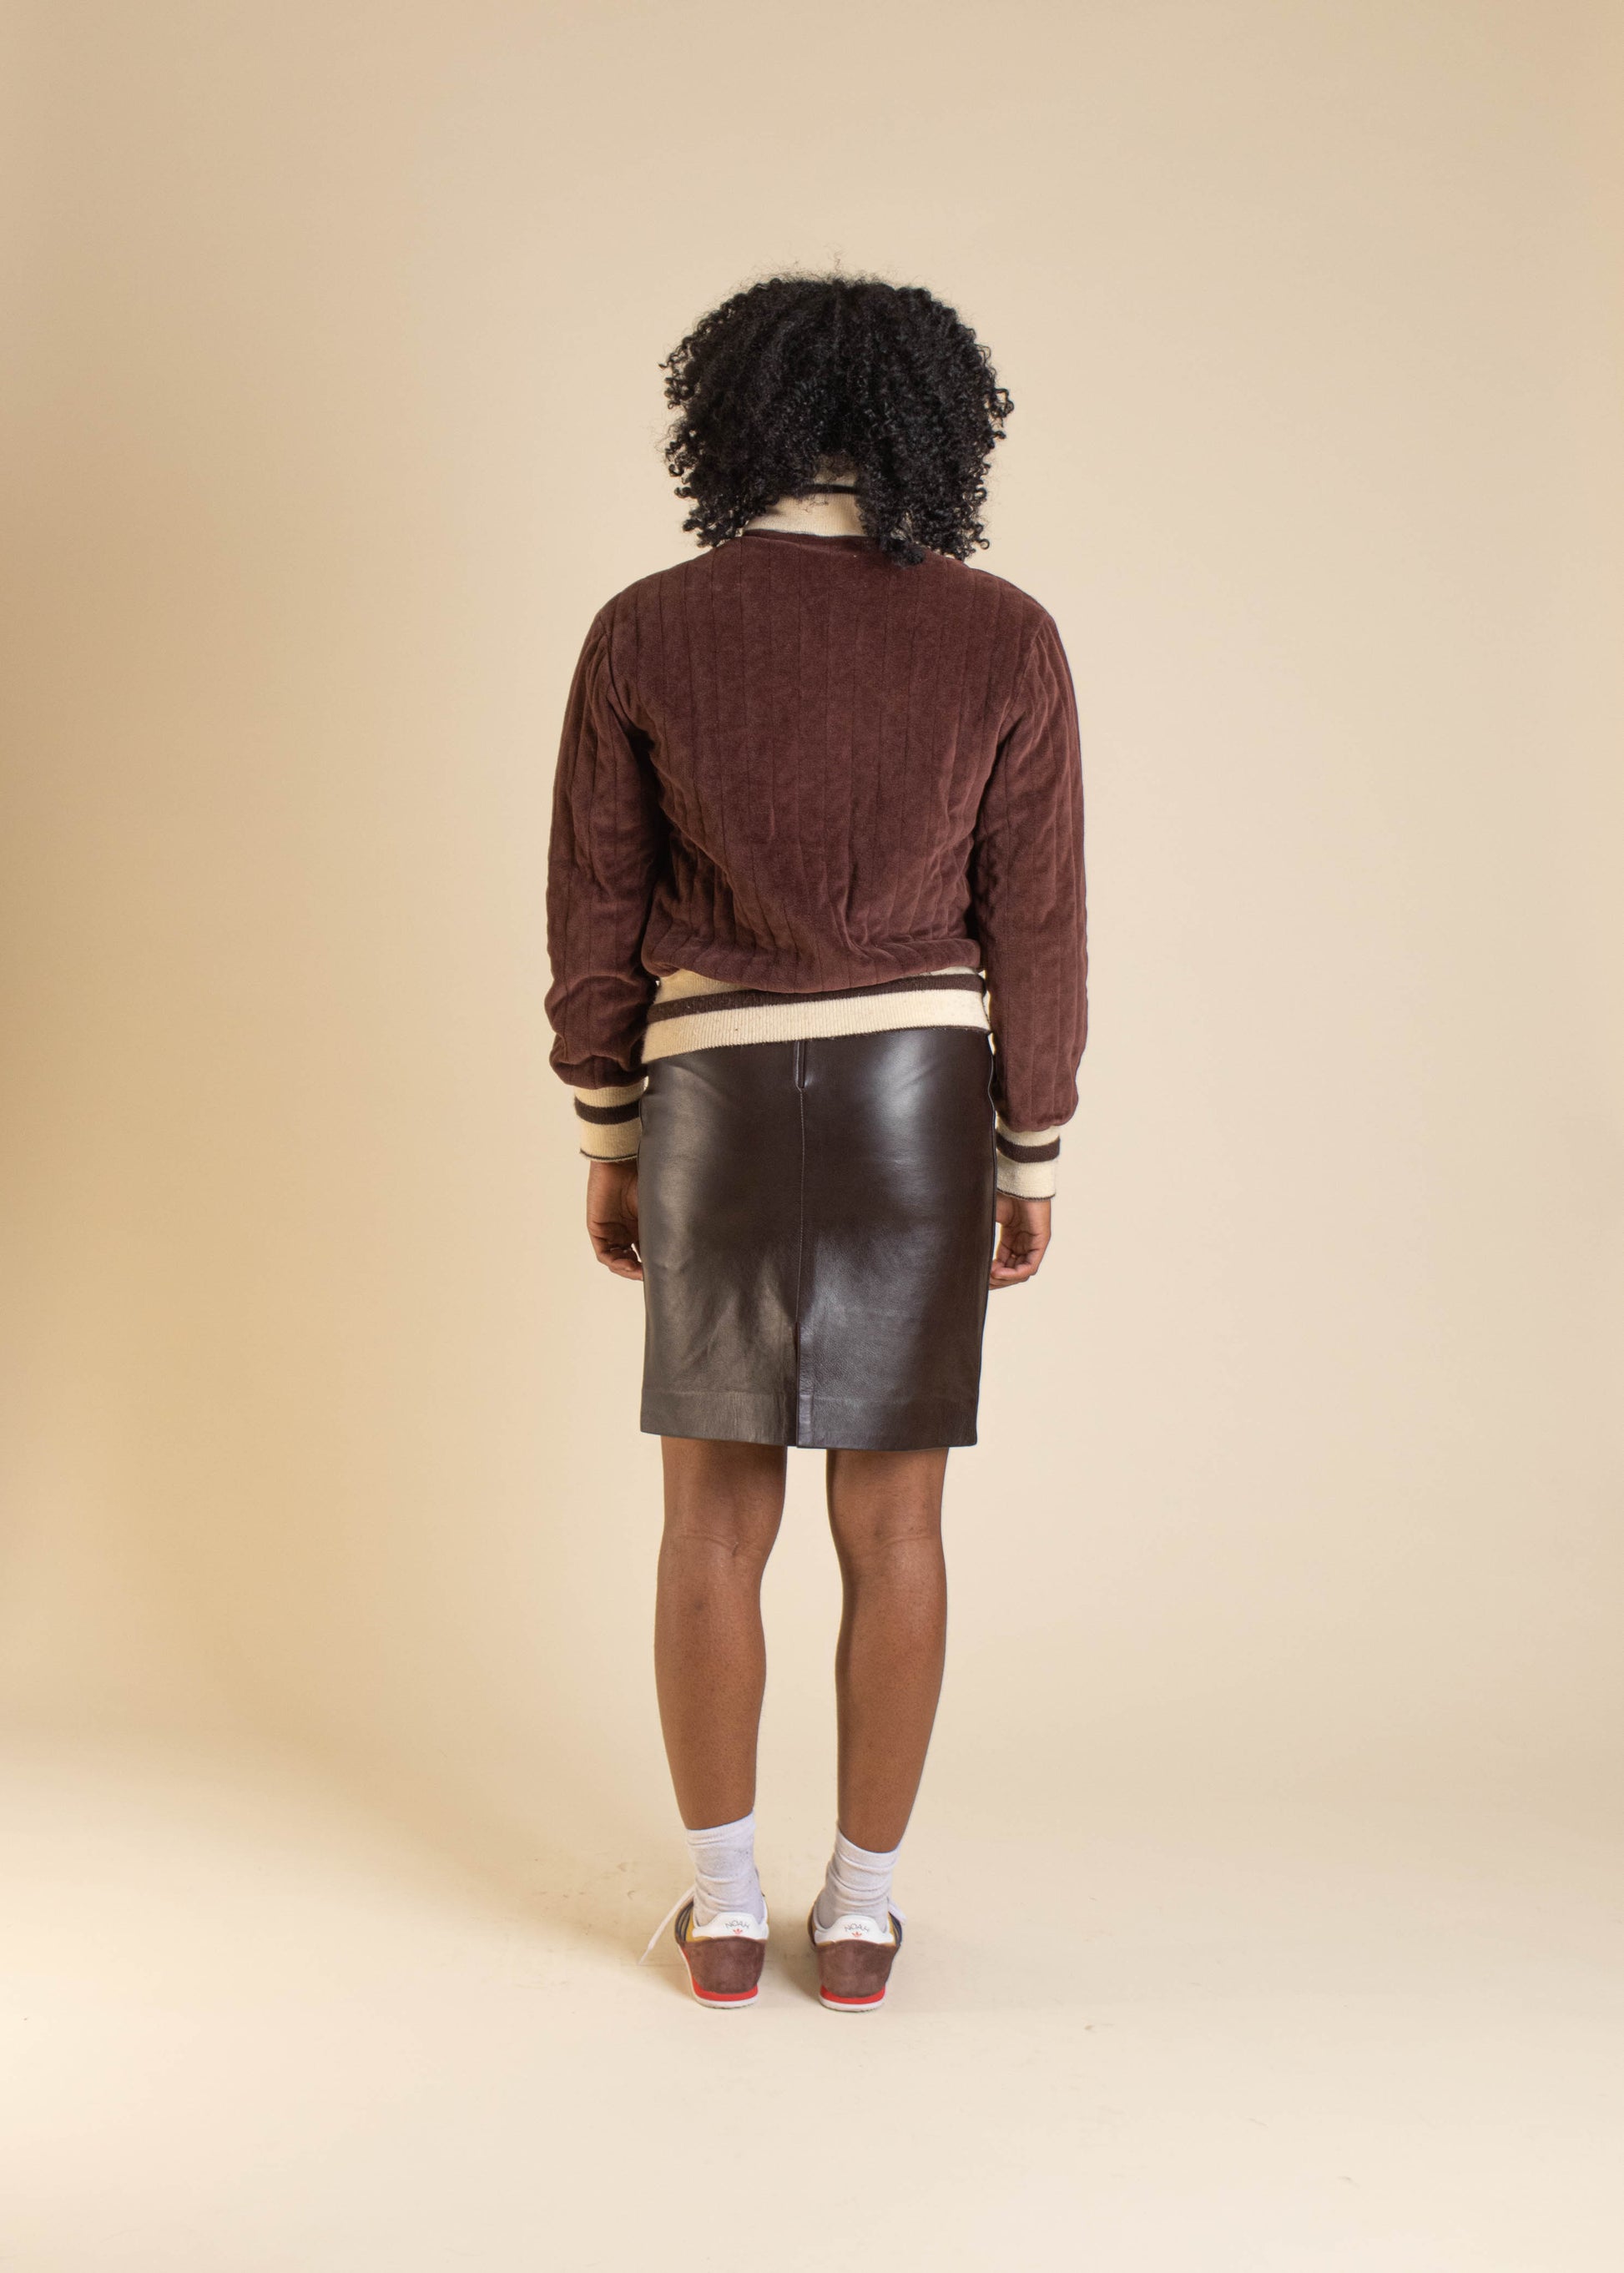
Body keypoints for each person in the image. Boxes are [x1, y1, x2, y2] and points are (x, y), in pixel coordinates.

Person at [545, 275, 1087, 2010]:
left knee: (709, 1526)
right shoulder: (1001, 633)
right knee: (896, 1529)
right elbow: (1037, 924)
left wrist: (609, 1123)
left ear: (734, 417)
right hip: (918, 1102)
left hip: (708, 1097)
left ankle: (720, 1913)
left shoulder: (646, 628)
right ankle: (856, 1918)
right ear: (937, 427)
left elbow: (596, 906)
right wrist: (1028, 1148)